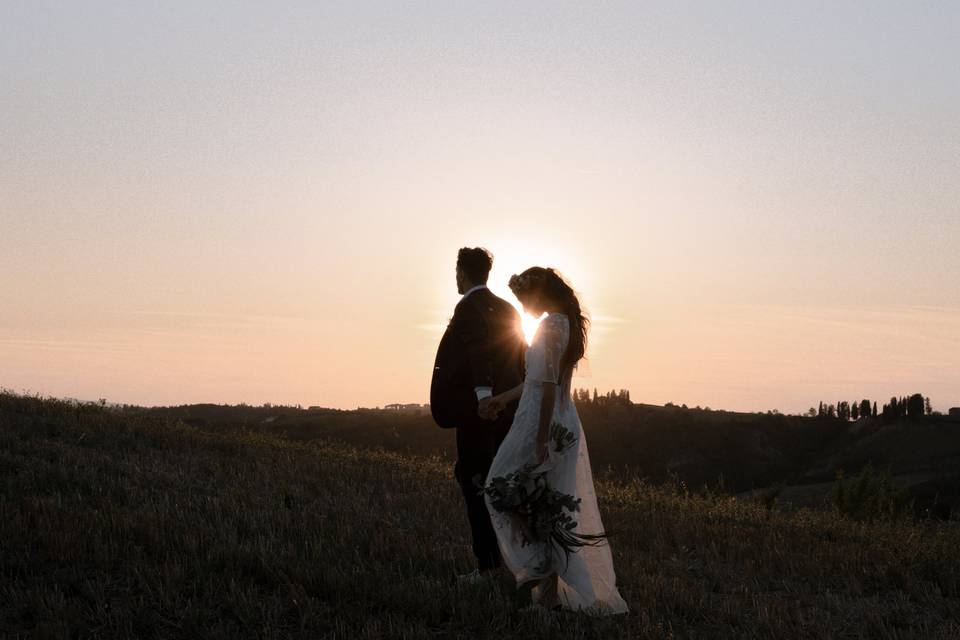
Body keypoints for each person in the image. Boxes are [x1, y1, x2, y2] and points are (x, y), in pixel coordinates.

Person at [482, 267, 628, 615]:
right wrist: (503, 398)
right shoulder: (564, 323)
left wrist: (540, 439)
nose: (522, 307)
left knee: (496, 488)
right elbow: (538, 380)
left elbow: (547, 388)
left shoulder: (549, 326)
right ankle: (548, 601)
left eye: (522, 299)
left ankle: (537, 562)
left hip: (540, 423)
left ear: (537, 294)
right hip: (558, 420)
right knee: (545, 508)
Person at [430, 247, 527, 583]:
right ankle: (519, 561)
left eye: (456, 271)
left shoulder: (468, 308)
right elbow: (520, 361)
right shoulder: (508, 309)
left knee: (475, 484)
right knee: (503, 487)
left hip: (478, 414)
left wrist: (483, 398)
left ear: (462, 272)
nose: (455, 277)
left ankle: (487, 567)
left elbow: (478, 353)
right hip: (508, 414)